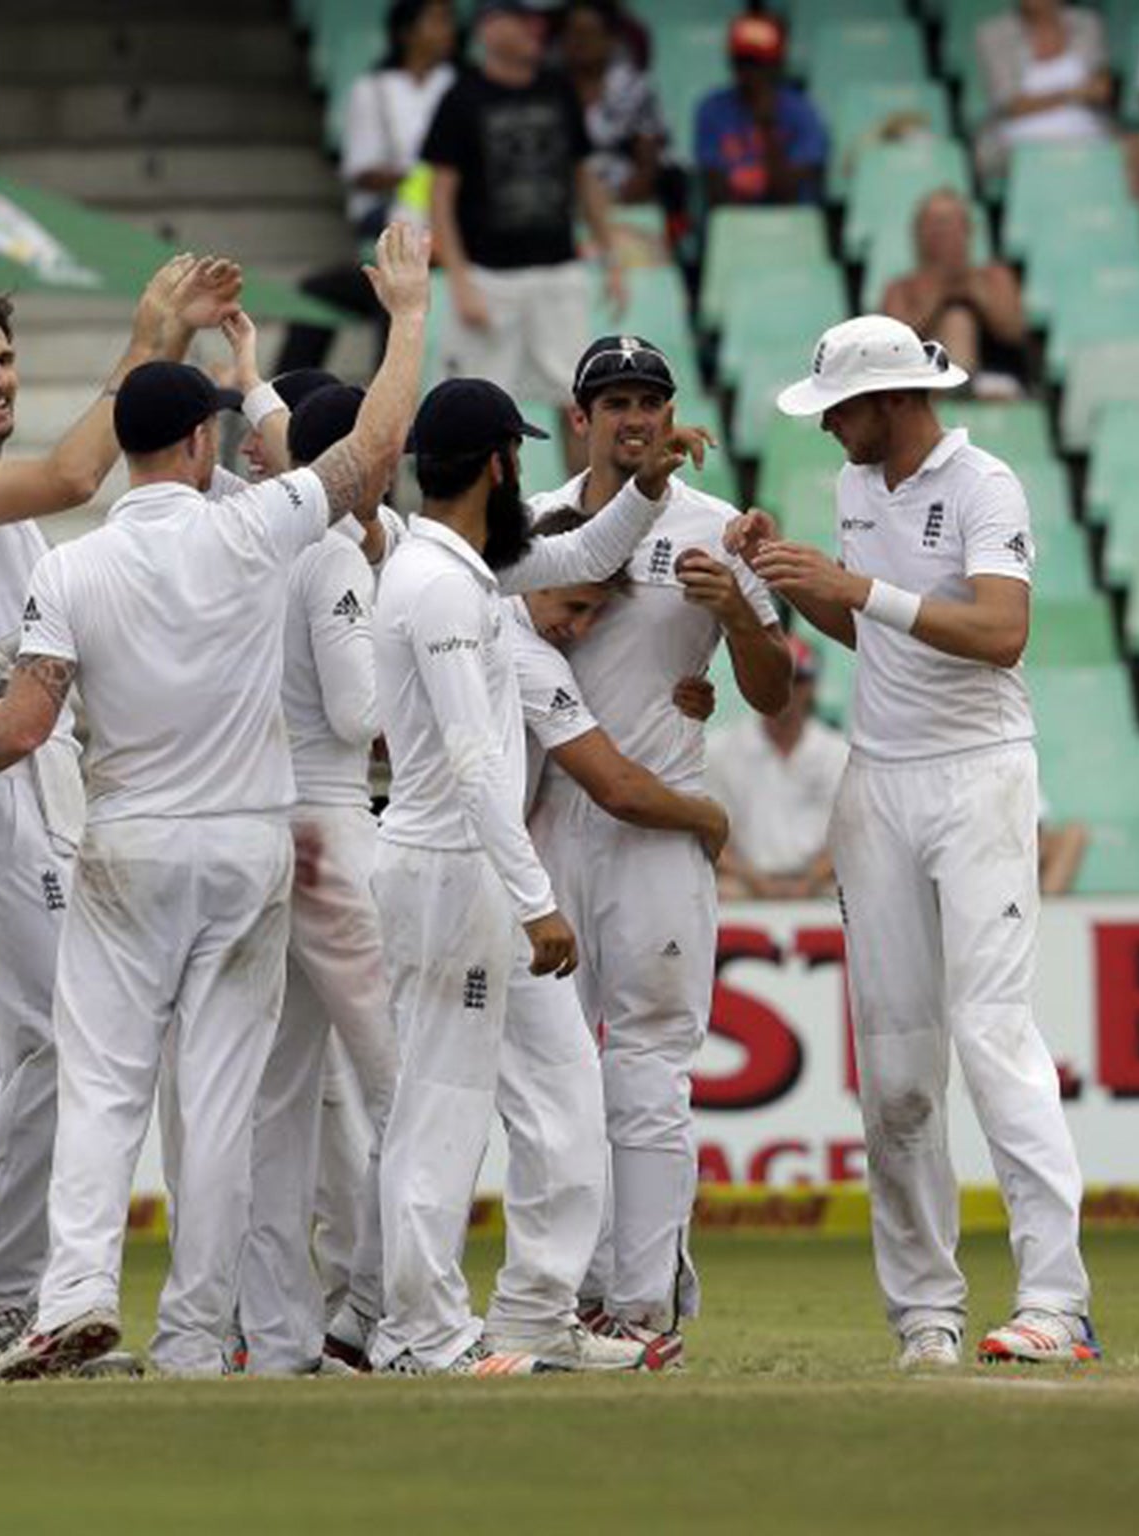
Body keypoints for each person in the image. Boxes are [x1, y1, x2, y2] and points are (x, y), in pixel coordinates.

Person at [0, 225, 434, 1380]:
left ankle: (73, 1295)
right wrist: (406, 314)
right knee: (218, 1103)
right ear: (205, 442)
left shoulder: (73, 564)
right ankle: (200, 1336)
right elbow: (373, 449)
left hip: (124, 848)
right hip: (252, 850)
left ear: (131, 449)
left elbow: (20, 725)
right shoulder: (256, 530)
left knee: (102, 1083)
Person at [726, 314, 1097, 1371]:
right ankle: (924, 1313)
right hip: (878, 782)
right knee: (893, 1070)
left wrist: (856, 589)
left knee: (990, 1036)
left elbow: (998, 633)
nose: (829, 428)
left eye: (839, 409)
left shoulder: (984, 484)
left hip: (978, 775)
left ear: (889, 399)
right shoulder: (853, 489)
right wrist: (796, 577)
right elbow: (866, 627)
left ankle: (1055, 1303)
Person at [0, 256, 236, 1369]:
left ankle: (18, 1293)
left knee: (56, 1042)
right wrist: (150, 340)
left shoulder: (7, 518)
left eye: (5, 360)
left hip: (38, 790)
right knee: (52, 1037)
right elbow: (81, 473)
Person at [366, 376, 713, 1375]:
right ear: (499, 465)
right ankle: (420, 1335)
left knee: (565, 1099)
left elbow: (585, 552)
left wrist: (647, 484)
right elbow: (477, 766)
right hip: (448, 875)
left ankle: (532, 1315)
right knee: (440, 1106)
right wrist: (536, 905)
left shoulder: (475, 569)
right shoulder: (436, 585)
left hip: (481, 878)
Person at [526, 336, 789, 1363]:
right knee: (555, 1072)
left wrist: (739, 621)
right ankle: (566, 1289)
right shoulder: (538, 524)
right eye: (612, 402)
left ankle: (636, 1303)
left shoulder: (717, 531)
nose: (632, 417)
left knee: (647, 1068)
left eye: (648, 399)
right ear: (579, 418)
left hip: (656, 826)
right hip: (549, 818)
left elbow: (770, 693)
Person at [223, 380, 397, 1378]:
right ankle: (390, 1312)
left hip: (262, 824)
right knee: (408, 1085)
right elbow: (355, 712)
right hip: (330, 828)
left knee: (276, 1096)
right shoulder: (327, 551)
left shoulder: (256, 544)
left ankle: (280, 1334)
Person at [423, 0, 627, 467]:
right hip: (489, 277)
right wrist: (459, 279)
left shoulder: (558, 88)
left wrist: (612, 258)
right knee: (478, 409)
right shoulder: (462, 97)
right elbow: (440, 196)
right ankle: (484, 522)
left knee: (578, 402)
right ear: (492, 27)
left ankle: (586, 519)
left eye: (539, 20)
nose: (537, 28)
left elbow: (585, 178)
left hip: (559, 270)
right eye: (524, 18)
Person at [274, 0, 458, 376]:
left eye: (448, 21)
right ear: (406, 33)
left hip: (455, 232)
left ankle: (391, 404)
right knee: (325, 292)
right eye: (435, 21)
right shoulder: (374, 89)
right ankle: (286, 402)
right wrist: (417, 177)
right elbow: (360, 170)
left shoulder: (458, 86)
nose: (447, 31)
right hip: (397, 227)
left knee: (395, 303)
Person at [705, 635, 849, 901]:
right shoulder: (720, 750)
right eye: (777, 680)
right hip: (742, 884)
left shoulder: (838, 754)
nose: (788, 692)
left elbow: (852, 834)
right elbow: (710, 834)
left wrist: (809, 882)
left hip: (820, 885)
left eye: (798, 680)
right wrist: (754, 880)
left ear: (812, 686)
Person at [881, 190, 1032, 400]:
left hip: (995, 382)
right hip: (923, 387)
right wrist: (937, 294)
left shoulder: (995, 278)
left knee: (958, 319)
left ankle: (960, 390)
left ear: (967, 229)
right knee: (955, 321)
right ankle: (955, 390)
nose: (940, 232)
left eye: (947, 222)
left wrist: (974, 291)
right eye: (932, 223)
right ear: (917, 233)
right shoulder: (900, 289)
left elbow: (1014, 332)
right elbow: (893, 349)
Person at [693, 13, 830, 208]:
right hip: (733, 223)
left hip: (791, 224)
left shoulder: (803, 111)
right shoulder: (711, 109)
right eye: (741, 61)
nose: (747, 72)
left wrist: (767, 126)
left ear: (777, 65)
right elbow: (717, 196)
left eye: (757, 63)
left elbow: (787, 195)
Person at [559, 0, 667, 206]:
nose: (579, 42)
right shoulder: (547, 89)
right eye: (573, 33)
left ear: (610, 40)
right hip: (560, 206)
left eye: (589, 33)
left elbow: (649, 160)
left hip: (624, 200)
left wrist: (620, 202)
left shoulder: (635, 87)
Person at [977, 0, 1114, 155]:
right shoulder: (994, 33)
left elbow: (1102, 89)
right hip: (1019, 137)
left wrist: (1086, 92)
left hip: (1087, 130)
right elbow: (1010, 105)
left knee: (1131, 151)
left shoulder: (1087, 23)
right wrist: (1073, 94)